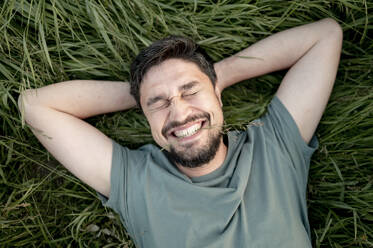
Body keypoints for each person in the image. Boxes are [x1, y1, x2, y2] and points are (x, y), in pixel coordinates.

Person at [18, 18, 342, 247]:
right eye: (158, 104)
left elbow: (325, 35)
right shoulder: (136, 181)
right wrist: (145, 93)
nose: (179, 113)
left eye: (191, 91)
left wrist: (216, 76)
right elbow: (34, 106)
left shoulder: (275, 146)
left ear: (217, 92)